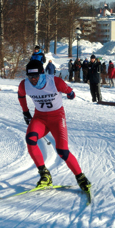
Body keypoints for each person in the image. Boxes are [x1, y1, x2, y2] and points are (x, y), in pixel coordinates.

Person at [17, 59, 91, 194]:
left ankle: (81, 177)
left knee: (62, 151)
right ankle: (45, 175)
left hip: (57, 118)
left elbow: (69, 91)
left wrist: (70, 94)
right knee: (30, 139)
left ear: (42, 74)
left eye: (35, 76)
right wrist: (25, 112)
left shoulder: (55, 82)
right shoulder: (25, 84)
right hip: (40, 118)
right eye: (30, 77)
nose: (33, 79)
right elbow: (21, 95)